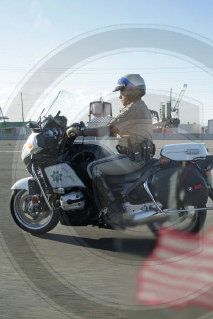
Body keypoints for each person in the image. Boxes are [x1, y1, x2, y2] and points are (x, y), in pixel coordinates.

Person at [65, 74, 154, 224]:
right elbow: (116, 130)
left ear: (132, 91)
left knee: (94, 168)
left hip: (133, 158)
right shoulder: (139, 107)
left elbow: (111, 129)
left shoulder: (134, 108)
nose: (120, 96)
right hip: (138, 155)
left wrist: (82, 131)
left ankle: (113, 210)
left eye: (122, 91)